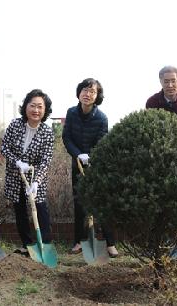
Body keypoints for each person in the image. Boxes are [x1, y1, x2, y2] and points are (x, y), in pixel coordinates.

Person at [62, 78, 118, 257]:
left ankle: (110, 243)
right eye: (85, 90)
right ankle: (79, 241)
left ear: (97, 96)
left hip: (97, 166)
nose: (87, 94)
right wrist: (78, 154)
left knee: (101, 203)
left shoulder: (101, 118)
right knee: (79, 204)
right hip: (77, 163)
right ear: (79, 93)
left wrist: (91, 157)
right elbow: (67, 138)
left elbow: (102, 142)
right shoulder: (71, 113)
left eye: (92, 91)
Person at [0, 89, 54, 256]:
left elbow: (46, 160)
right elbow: (4, 146)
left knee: (40, 209)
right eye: (32, 105)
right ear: (25, 107)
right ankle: (27, 244)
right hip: (16, 176)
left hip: (35, 178)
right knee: (20, 210)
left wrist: (36, 181)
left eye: (40, 107)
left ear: (45, 110)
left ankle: (44, 244)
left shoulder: (47, 132)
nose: (35, 110)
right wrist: (17, 161)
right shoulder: (15, 124)